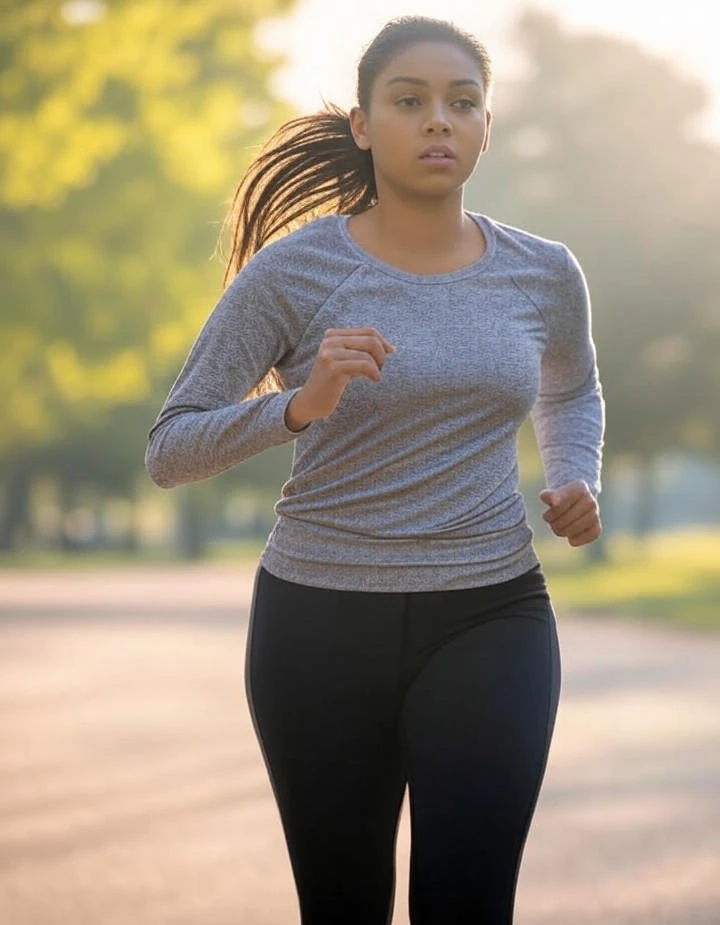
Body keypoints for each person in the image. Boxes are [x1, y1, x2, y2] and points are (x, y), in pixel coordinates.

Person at [145, 14, 604, 925]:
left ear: (486, 127)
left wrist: (573, 473)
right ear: (362, 124)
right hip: (319, 624)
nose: (439, 120)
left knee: (470, 903)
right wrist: (298, 405)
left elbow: (572, 388)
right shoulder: (294, 272)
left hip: (490, 611)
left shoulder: (544, 272)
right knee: (344, 905)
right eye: (409, 101)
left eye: (462, 103)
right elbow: (171, 448)